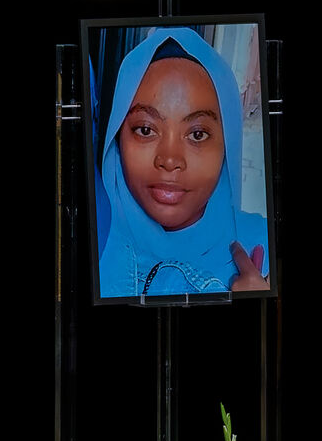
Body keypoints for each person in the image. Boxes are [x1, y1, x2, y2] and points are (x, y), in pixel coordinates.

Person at [98, 27, 269, 298]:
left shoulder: (263, 246)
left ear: (227, 146)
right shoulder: (88, 246)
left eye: (197, 135)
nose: (169, 160)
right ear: (118, 138)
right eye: (145, 130)